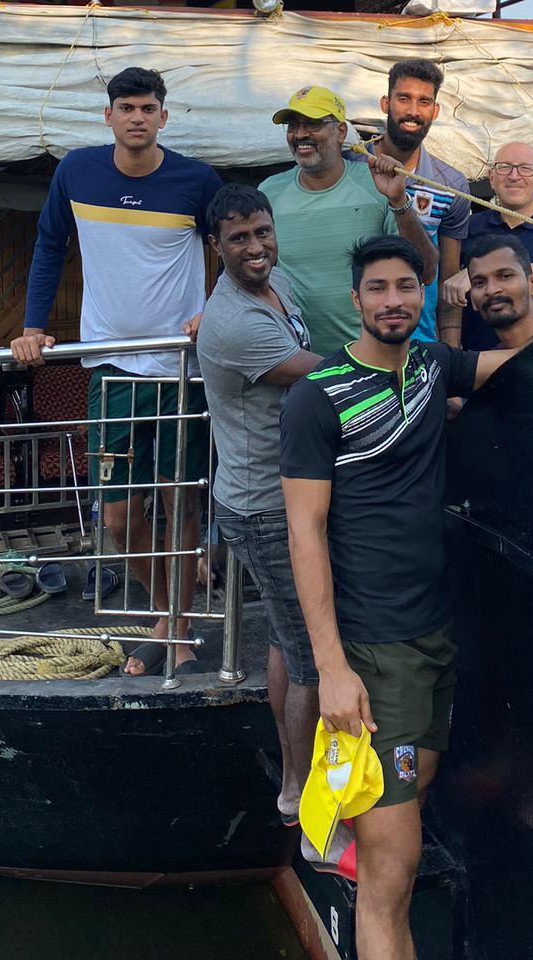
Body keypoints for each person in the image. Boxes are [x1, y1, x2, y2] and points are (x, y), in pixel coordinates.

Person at [280, 236, 533, 957]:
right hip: (374, 648)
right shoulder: (317, 399)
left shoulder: (432, 367)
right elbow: (305, 534)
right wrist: (333, 670)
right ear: (355, 299)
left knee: (411, 795)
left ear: (427, 295)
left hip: (434, 635)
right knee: (392, 879)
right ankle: (354, 834)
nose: (392, 301)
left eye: (406, 287)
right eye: (377, 288)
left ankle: (351, 820)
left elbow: (519, 366)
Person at [11, 66, 221, 676]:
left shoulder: (196, 179)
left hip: (182, 368)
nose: (137, 116)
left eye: (147, 107)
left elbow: (238, 246)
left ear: (163, 116)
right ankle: (167, 613)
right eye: (126, 107)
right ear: (108, 116)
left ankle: (176, 627)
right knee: (121, 517)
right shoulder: (76, 170)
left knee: (179, 505)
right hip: (110, 366)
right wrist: (32, 326)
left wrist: (217, 310)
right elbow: (50, 244)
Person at [196, 183, 323, 825]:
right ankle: (298, 796)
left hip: (278, 494)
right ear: (216, 247)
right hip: (266, 508)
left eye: (262, 232)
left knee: (283, 636)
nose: (256, 247)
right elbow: (325, 377)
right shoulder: (234, 323)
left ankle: (290, 767)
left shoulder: (280, 285)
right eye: (240, 238)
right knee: (310, 659)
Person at [262, 85, 438, 354]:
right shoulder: (268, 192)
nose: (299, 134)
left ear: (341, 132)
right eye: (292, 125)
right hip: (298, 366)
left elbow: (425, 271)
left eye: (313, 124)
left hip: (374, 362)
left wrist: (399, 201)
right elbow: (248, 270)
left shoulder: (376, 183)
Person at [363, 59, 469, 345]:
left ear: (434, 111)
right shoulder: (352, 166)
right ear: (386, 103)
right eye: (403, 98)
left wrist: (450, 358)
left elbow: (448, 285)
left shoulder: (451, 185)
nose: (412, 111)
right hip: (350, 340)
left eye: (424, 102)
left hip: (419, 344)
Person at [441, 141, 533, 350]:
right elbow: (448, 287)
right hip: (477, 355)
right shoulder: (469, 227)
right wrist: (451, 352)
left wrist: (477, 274)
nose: (514, 176)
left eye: (525, 168)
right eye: (504, 167)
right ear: (491, 178)